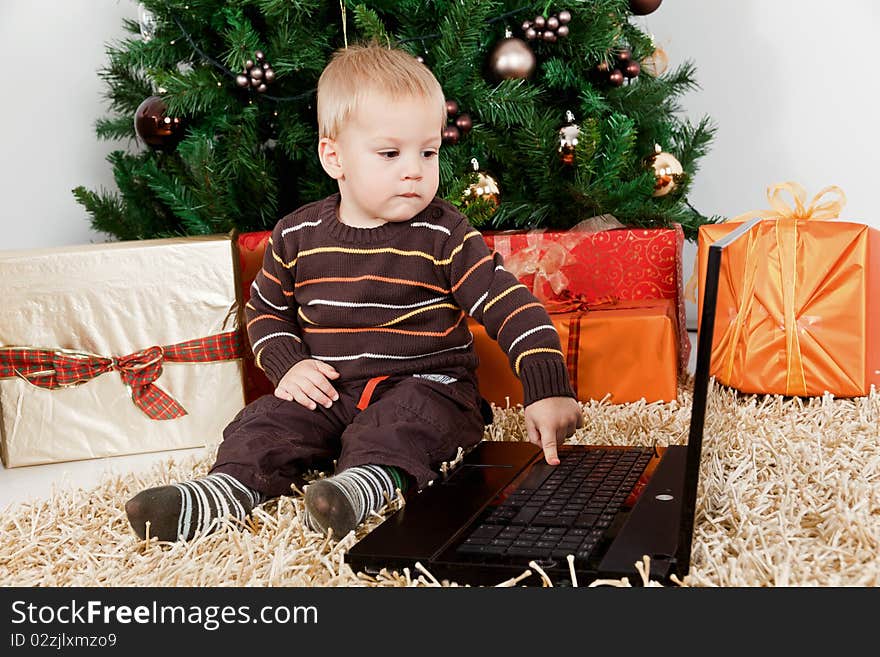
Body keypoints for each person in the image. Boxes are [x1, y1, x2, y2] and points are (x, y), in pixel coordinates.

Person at [125, 42, 583, 543]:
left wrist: (548, 386)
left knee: (406, 423)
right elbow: (265, 311)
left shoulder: (444, 234)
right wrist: (288, 364)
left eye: (428, 152)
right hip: (333, 388)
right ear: (334, 156)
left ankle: (361, 487)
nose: (414, 169)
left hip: (427, 384)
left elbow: (511, 305)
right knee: (265, 422)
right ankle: (223, 491)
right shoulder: (296, 236)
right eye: (390, 153)